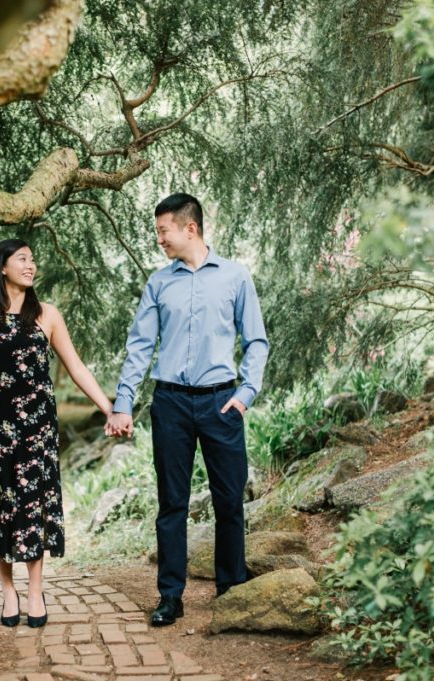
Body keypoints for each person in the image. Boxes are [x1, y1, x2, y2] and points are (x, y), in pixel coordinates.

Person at [105, 193, 269, 627]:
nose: (159, 238)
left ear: (189, 228)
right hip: (171, 402)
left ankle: (231, 591)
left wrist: (246, 392)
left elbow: (256, 341)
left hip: (222, 402)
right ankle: (170, 597)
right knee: (172, 503)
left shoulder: (236, 278)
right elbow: (140, 347)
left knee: (229, 500)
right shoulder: (160, 283)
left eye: (163, 230)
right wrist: (123, 403)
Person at [0, 238, 113, 628]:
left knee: (32, 506)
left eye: (32, 259)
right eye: (22, 259)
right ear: (2, 267)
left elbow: (76, 368)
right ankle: (8, 591)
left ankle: (34, 589)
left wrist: (108, 407)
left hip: (36, 430)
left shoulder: (47, 314)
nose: (31, 265)